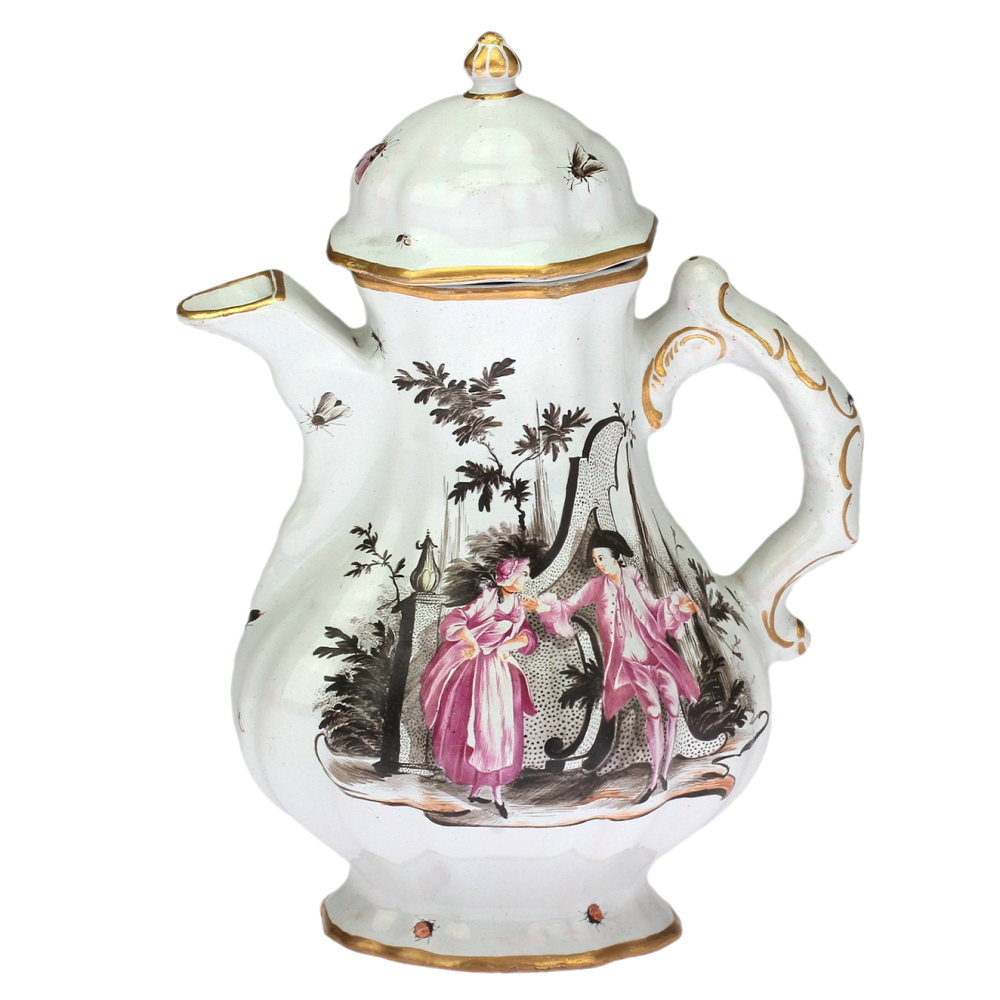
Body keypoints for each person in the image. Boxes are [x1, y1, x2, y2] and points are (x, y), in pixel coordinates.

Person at [523, 529, 699, 798]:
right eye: (596, 560)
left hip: (657, 655)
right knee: (653, 712)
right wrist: (545, 608)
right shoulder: (597, 586)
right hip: (630, 662)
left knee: (673, 709)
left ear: (615, 556)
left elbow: (654, 606)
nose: (600, 564)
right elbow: (570, 604)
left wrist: (680, 609)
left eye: (602, 558)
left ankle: (666, 772)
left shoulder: (633, 576)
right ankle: (654, 778)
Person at [421, 557, 538, 818]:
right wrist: (471, 642)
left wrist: (510, 645)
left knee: (501, 732)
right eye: (524, 574)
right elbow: (454, 620)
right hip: (478, 669)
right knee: (481, 729)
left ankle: (493, 792)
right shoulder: (486, 598)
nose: (528, 579)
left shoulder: (519, 605)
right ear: (509, 577)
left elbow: (528, 637)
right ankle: (482, 790)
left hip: (501, 671)